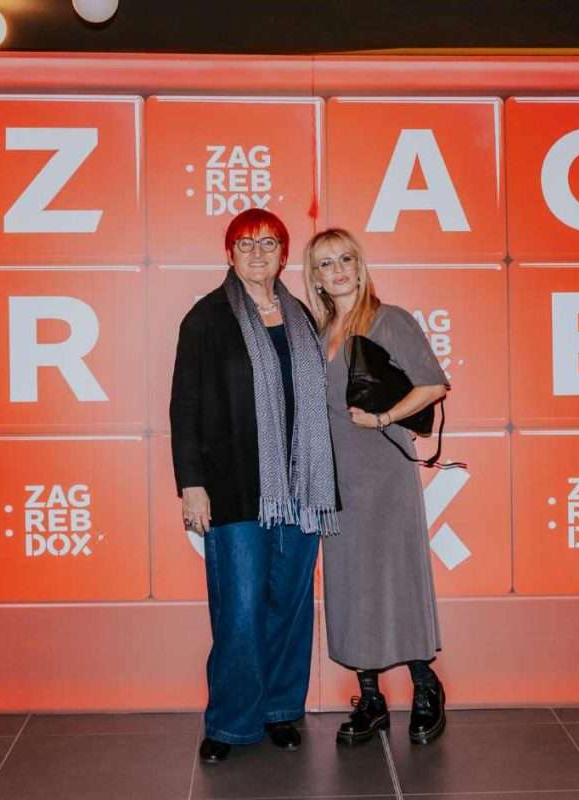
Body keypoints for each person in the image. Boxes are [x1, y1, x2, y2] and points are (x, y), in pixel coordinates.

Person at [170, 208, 339, 764]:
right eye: (246, 244)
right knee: (240, 608)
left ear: (284, 255)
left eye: (269, 243)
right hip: (234, 487)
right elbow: (184, 407)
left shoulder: (301, 317)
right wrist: (192, 485)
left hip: (301, 487)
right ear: (229, 254)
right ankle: (230, 722)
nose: (258, 253)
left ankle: (281, 710)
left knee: (289, 603)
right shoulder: (206, 318)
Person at [303, 227, 449, 746]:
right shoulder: (319, 332)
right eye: (326, 264)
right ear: (316, 278)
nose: (338, 270)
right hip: (336, 478)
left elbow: (433, 384)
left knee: (396, 578)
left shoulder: (390, 320)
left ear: (359, 266)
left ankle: (426, 687)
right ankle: (370, 699)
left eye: (345, 259)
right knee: (350, 584)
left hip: (384, 473)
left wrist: (384, 416)